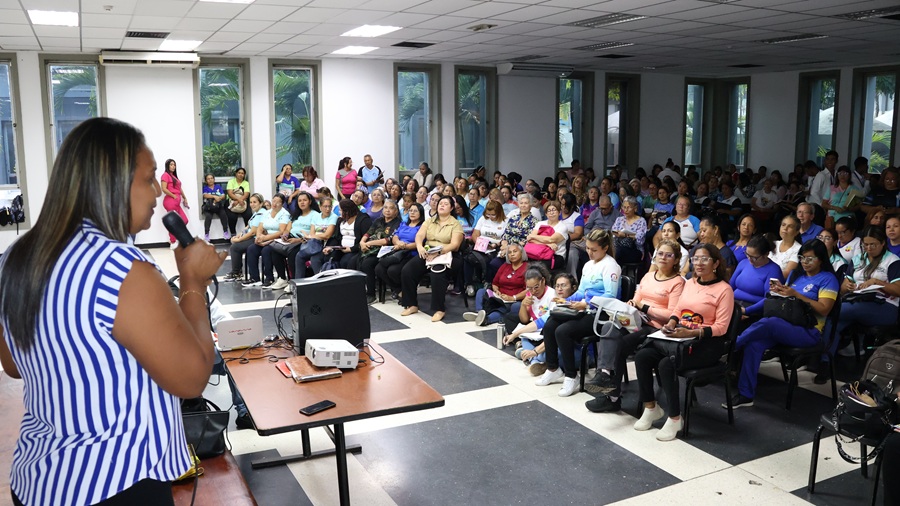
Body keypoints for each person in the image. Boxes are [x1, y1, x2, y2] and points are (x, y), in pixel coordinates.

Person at [0, 117, 225, 505]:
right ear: (112, 182)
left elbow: (13, 364)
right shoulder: (122, 268)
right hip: (116, 482)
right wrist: (193, 282)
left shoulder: (14, 257)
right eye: (149, 178)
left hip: (38, 481)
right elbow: (191, 379)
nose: (158, 191)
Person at [633, 244, 735, 441]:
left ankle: (675, 418)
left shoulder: (724, 290)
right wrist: (671, 324)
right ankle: (651, 407)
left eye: (705, 259)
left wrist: (691, 332)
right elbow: (678, 310)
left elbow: (722, 328)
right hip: (681, 338)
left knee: (666, 364)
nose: (699, 263)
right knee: (643, 356)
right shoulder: (690, 283)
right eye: (696, 259)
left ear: (715, 263)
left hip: (707, 343)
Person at [730, 239, 839, 407]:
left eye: (810, 259)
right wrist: (777, 294)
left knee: (769, 322)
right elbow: (780, 299)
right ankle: (746, 395)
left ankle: (732, 346)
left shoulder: (828, 279)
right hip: (785, 324)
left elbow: (824, 309)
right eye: (802, 258)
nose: (804, 262)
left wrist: (796, 295)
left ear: (821, 259)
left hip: (809, 331)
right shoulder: (796, 275)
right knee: (754, 344)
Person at [586, 240, 686, 413]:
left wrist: (644, 307)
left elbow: (671, 314)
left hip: (656, 327)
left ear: (676, 260)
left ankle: (612, 397)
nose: (663, 257)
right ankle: (604, 374)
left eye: (669, 255)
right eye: (660, 254)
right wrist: (632, 304)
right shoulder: (648, 276)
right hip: (635, 319)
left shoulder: (678, 282)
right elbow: (636, 298)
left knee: (620, 344)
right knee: (609, 328)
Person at [534, 229, 621, 398]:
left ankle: (571, 376)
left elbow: (611, 295)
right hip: (584, 309)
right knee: (551, 324)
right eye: (587, 248)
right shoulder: (588, 265)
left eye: (594, 249)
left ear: (604, 248)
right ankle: (553, 368)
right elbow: (581, 291)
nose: (589, 252)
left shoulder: (611, 266)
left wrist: (586, 304)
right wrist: (566, 300)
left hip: (602, 314)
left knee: (563, 331)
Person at [820, 226, 900, 383]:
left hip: (884, 306)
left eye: (873, 245)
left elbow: (898, 290)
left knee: (836, 311)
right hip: (857, 301)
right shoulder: (858, 259)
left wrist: (878, 282)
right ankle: (825, 363)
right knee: (834, 321)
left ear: (883, 243)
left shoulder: (893, 261)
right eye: (866, 244)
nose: (869, 248)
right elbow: (843, 287)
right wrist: (847, 286)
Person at [399, 195, 465, 322]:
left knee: (437, 274)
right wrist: (420, 247)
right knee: (407, 270)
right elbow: (419, 235)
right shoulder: (430, 221)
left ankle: (439, 309)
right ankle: (411, 304)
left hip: (448, 254)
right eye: (440, 203)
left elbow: (455, 245)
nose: (442, 205)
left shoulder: (455, 224)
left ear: (451, 208)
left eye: (445, 204)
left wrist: (439, 252)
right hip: (429, 252)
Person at [510, 272, 574, 375]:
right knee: (525, 337)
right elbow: (538, 322)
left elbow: (554, 338)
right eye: (557, 286)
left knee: (548, 354)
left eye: (563, 286)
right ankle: (536, 361)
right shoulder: (558, 306)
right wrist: (515, 334)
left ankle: (533, 358)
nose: (559, 289)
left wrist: (535, 352)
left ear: (573, 288)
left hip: (572, 350)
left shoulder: (574, 305)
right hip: (549, 340)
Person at [266, 191, 321, 291]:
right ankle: (282, 278)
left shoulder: (315, 215)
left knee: (293, 254)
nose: (302, 202)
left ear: (310, 201)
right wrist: (285, 235)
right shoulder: (296, 214)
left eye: (304, 200)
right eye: (300, 201)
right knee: (274, 250)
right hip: (291, 239)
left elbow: (313, 234)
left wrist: (298, 240)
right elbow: (287, 229)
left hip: (304, 241)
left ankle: (294, 281)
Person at [463, 243, 528, 326]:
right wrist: (496, 291)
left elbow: (528, 290)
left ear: (522, 253)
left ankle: (487, 319)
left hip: (514, 299)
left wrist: (512, 297)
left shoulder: (527, 268)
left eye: (515, 251)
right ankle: (479, 312)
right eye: (509, 252)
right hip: (499, 297)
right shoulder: (505, 266)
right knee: (481, 291)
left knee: (511, 307)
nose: (512, 254)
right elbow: (495, 283)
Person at [376, 203, 425, 300]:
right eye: (410, 210)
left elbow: (421, 243)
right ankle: (399, 290)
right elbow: (395, 236)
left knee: (393, 270)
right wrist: (398, 243)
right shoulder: (403, 224)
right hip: (398, 251)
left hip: (411, 253)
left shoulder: (422, 226)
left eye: (415, 211)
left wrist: (405, 246)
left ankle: (405, 291)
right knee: (379, 268)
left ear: (421, 213)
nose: (412, 213)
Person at [358, 200, 402, 304]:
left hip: (387, 251)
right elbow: (368, 233)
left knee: (367, 263)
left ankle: (371, 294)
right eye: (385, 207)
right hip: (372, 249)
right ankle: (360, 289)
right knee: (356, 260)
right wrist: (362, 242)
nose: (387, 210)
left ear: (396, 211)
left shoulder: (397, 223)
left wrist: (369, 243)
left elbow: (388, 240)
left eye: (391, 208)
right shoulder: (379, 220)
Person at [243, 194, 291, 287]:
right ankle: (254, 278)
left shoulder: (284, 214)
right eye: (273, 201)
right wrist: (258, 237)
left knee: (266, 250)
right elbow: (260, 227)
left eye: (278, 202)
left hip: (276, 240)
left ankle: (269, 278)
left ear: (282, 204)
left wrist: (266, 238)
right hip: (264, 238)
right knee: (251, 249)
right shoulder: (267, 212)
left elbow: (281, 231)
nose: (274, 204)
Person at [730, 235, 783, 319]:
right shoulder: (743, 263)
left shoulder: (774, 270)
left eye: (754, 257)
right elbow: (730, 287)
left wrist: (747, 311)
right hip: (734, 303)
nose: (749, 259)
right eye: (747, 254)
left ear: (766, 254)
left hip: (754, 309)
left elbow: (770, 299)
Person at [291, 196, 338, 282]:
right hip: (315, 244)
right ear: (320, 207)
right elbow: (312, 233)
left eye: (329, 206)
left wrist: (311, 236)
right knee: (299, 256)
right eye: (325, 206)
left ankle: (320, 283)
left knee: (315, 258)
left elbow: (327, 235)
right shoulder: (316, 217)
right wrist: (310, 236)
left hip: (326, 245)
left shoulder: (333, 217)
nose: (327, 209)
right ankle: (299, 283)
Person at [225, 193, 266, 280]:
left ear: (261, 203)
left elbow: (252, 232)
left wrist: (239, 240)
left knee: (235, 247)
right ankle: (237, 271)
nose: (252, 204)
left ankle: (236, 273)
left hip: (256, 238)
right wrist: (238, 235)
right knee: (235, 245)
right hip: (251, 237)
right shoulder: (256, 213)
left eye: (255, 202)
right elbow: (248, 227)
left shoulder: (261, 214)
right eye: (251, 202)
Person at [323, 198, 372, 270]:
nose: (339, 212)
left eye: (340, 210)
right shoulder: (341, 220)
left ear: (347, 211)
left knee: (345, 261)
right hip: (341, 248)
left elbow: (366, 239)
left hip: (356, 249)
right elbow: (337, 237)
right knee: (329, 257)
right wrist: (331, 247)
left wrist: (351, 249)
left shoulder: (363, 220)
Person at [526, 200, 568, 270]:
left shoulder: (562, 227)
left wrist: (533, 236)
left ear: (559, 212)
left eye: (554, 210)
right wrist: (548, 244)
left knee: (538, 267)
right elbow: (530, 240)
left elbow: (551, 239)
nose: (551, 213)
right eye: (549, 211)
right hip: (537, 251)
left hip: (555, 255)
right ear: (546, 214)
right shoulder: (540, 223)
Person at [693, 215, 737, 281]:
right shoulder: (699, 248)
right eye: (700, 231)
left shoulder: (726, 254)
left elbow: (726, 279)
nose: (701, 234)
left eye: (704, 230)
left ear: (715, 229)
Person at [161, 158, 189, 249]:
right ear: (167, 166)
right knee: (172, 222)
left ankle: (177, 238)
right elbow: (164, 188)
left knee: (184, 220)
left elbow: (179, 189)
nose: (173, 166)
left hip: (177, 202)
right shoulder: (165, 175)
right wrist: (173, 196)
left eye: (174, 165)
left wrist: (184, 198)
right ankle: (172, 242)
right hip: (170, 201)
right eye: (171, 165)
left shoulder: (174, 176)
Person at [611, 196, 647, 265]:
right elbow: (613, 232)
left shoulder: (641, 221)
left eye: (629, 207)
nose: (626, 210)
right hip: (617, 246)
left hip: (635, 250)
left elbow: (640, 240)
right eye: (624, 207)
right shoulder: (619, 219)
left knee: (619, 251)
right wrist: (617, 234)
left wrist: (626, 235)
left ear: (635, 208)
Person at [770, 214, 802, 280]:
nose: (785, 228)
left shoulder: (798, 249)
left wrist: (766, 274)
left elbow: (786, 273)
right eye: (783, 225)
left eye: (790, 226)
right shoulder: (773, 244)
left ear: (797, 232)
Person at [201, 173, 229, 241]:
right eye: (208, 179)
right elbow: (205, 195)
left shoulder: (218, 187)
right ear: (206, 181)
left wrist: (218, 198)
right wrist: (214, 196)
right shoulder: (205, 188)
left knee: (223, 215)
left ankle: (225, 232)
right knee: (208, 217)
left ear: (214, 179)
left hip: (218, 206)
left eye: (211, 178)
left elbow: (223, 195)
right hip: (209, 207)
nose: (210, 180)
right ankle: (206, 234)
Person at [225, 166, 252, 237]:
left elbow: (246, 194)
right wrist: (238, 200)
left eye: (242, 173)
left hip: (243, 201)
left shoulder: (246, 183)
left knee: (248, 215)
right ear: (236, 173)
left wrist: (239, 200)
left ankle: (247, 233)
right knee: (232, 217)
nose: (240, 174)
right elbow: (230, 193)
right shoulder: (231, 182)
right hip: (231, 200)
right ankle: (233, 234)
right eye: (239, 173)